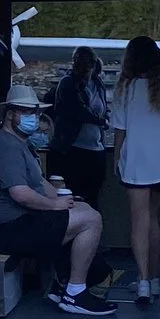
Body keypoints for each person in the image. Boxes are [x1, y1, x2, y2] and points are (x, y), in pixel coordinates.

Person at [0, 85, 112, 316]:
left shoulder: (20, 144)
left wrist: (65, 200)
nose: (35, 118)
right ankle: (74, 293)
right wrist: (55, 205)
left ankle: (65, 283)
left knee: (84, 209)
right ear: (10, 114)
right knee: (91, 220)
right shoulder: (6, 147)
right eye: (27, 112)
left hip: (19, 223)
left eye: (36, 113)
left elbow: (39, 183)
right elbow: (20, 193)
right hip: (5, 230)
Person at [111, 36, 160, 309]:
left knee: (138, 220)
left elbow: (120, 130)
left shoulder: (125, 89)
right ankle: (154, 279)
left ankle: (141, 282)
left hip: (136, 162)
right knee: (153, 219)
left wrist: (117, 157)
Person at [47, 46, 112, 208]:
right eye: (77, 60)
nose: (80, 65)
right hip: (71, 149)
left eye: (84, 61)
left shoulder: (98, 84)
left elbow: (104, 107)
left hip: (95, 150)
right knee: (71, 196)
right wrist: (101, 121)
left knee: (92, 197)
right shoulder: (67, 83)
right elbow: (78, 110)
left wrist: (106, 117)